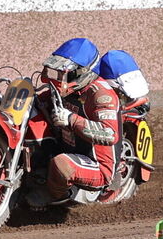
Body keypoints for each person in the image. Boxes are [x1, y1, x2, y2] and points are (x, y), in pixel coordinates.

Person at [39, 38, 122, 203]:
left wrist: (71, 119)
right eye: (61, 72)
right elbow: (40, 101)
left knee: (61, 165)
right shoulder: (67, 88)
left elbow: (110, 134)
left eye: (70, 73)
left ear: (85, 72)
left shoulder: (100, 95)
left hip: (97, 164)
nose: (63, 78)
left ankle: (60, 198)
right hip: (70, 146)